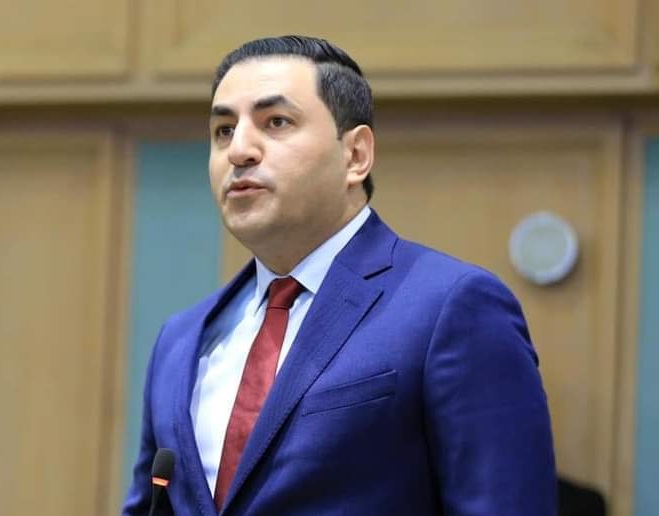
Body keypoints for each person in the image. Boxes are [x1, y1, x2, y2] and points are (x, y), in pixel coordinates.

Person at [123, 35, 557, 515]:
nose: (239, 150)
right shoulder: (180, 339)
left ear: (355, 155)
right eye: (224, 130)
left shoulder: (452, 307)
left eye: (276, 122)